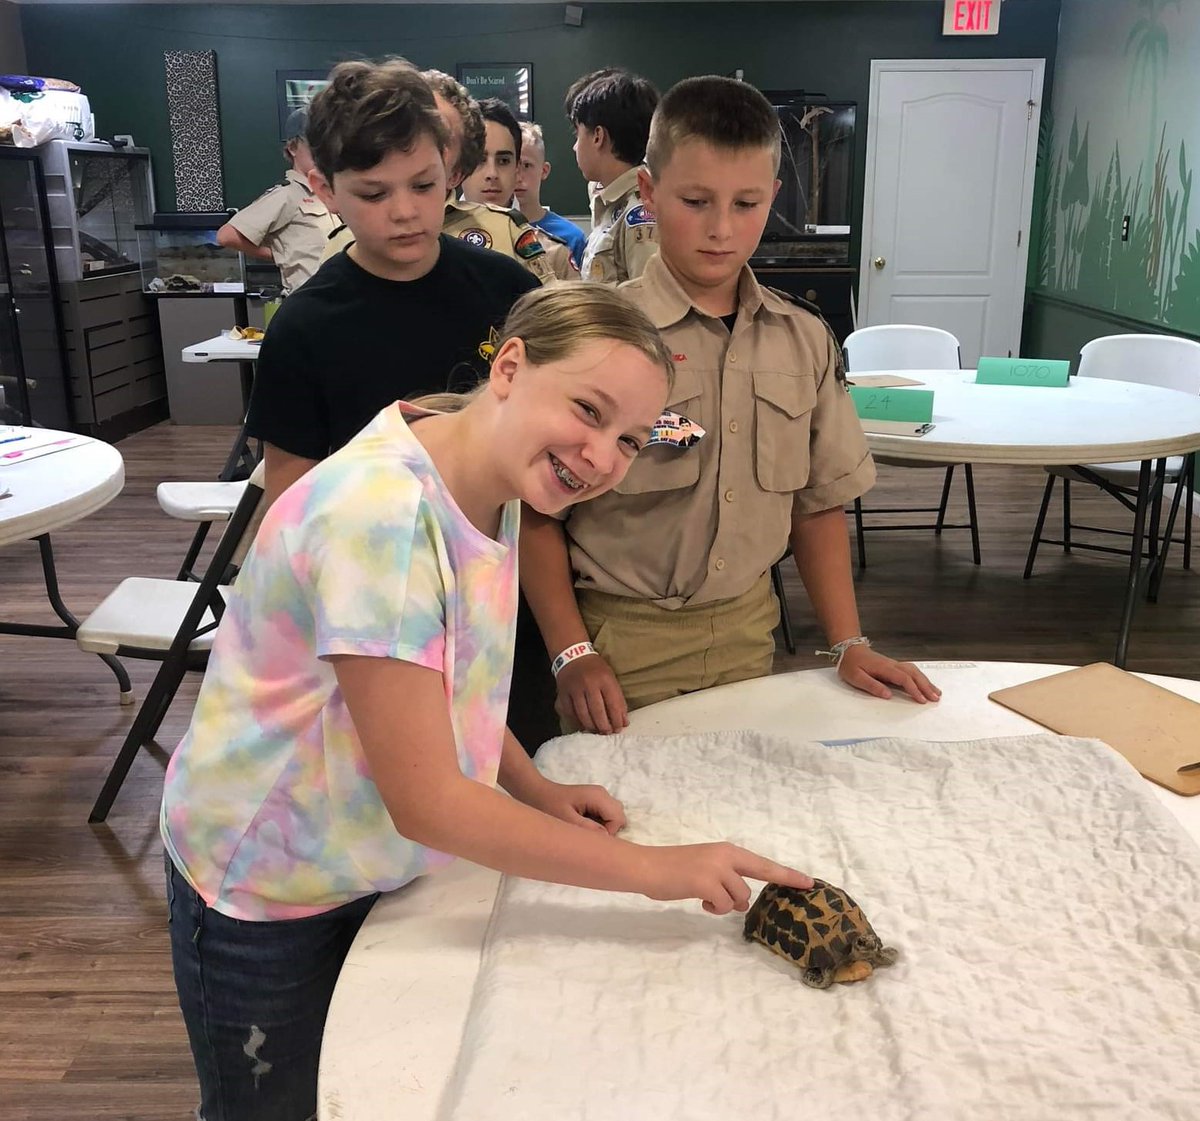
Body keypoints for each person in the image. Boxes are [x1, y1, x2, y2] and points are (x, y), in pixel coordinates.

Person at [161, 281, 813, 1121]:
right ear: (510, 365)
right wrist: (660, 870)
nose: (604, 456)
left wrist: (530, 786)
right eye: (587, 408)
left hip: (362, 854)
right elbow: (430, 802)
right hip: (266, 884)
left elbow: (448, 675)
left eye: (629, 439)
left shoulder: (484, 468)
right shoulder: (384, 518)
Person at [521, 75, 940, 737]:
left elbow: (817, 501)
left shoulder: (801, 339)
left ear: (771, 198)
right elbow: (536, 510)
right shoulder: (601, 337)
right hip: (619, 643)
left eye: (745, 203)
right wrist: (571, 651)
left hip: (750, 635)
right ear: (651, 194)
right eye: (696, 200)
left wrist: (847, 641)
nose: (721, 229)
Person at [244, 58, 539, 509]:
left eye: (423, 185)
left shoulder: (508, 287)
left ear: (450, 170)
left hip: (499, 550)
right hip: (366, 559)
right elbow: (291, 508)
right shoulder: (302, 329)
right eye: (374, 194)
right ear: (325, 190)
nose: (405, 211)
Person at [216, 106, 340, 294]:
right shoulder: (287, 195)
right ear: (292, 148)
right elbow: (227, 235)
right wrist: (279, 255)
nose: (323, 152)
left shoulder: (328, 193)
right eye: (315, 146)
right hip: (308, 301)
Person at [455, 97, 575, 281]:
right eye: (480, 160)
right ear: (461, 165)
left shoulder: (552, 255)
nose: (492, 173)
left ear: (517, 169)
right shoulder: (430, 243)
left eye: (503, 161)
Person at [564, 67, 660, 284]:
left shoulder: (639, 213)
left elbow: (652, 306)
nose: (575, 147)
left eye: (577, 134)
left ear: (598, 136)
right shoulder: (609, 203)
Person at [515, 120, 587, 271]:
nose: (518, 177)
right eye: (509, 164)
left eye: (526, 165)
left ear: (544, 171)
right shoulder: (488, 230)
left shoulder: (571, 237)